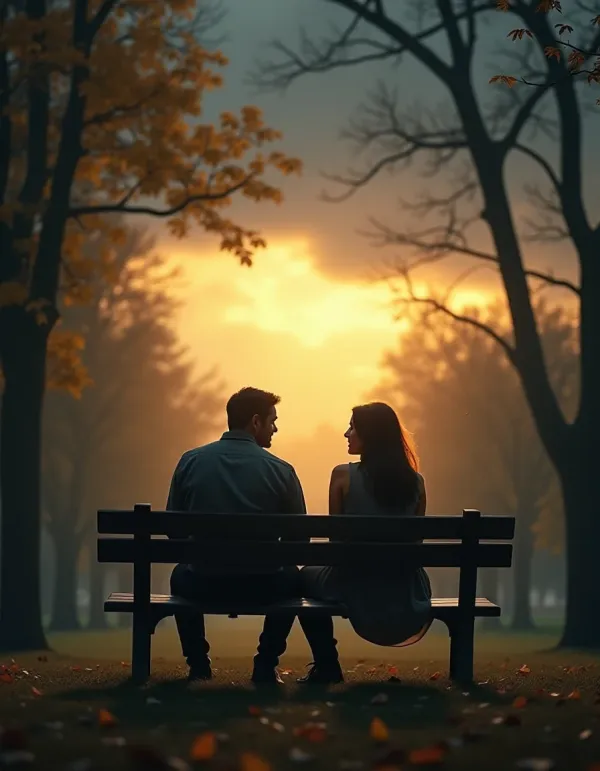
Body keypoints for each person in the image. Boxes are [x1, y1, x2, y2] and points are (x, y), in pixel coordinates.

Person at [166, 387, 342, 685]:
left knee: (178, 574)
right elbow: (299, 544)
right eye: (273, 421)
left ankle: (198, 665)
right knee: (294, 578)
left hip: (202, 583)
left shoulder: (190, 461)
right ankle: (264, 664)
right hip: (266, 585)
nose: (276, 428)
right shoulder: (281, 470)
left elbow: (174, 532)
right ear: (256, 422)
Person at [300, 402, 432, 654]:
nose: (346, 434)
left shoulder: (342, 476)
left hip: (352, 583)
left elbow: (336, 545)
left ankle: (326, 661)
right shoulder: (416, 483)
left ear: (371, 435)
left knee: (303, 576)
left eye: (353, 427)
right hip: (403, 588)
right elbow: (415, 547)